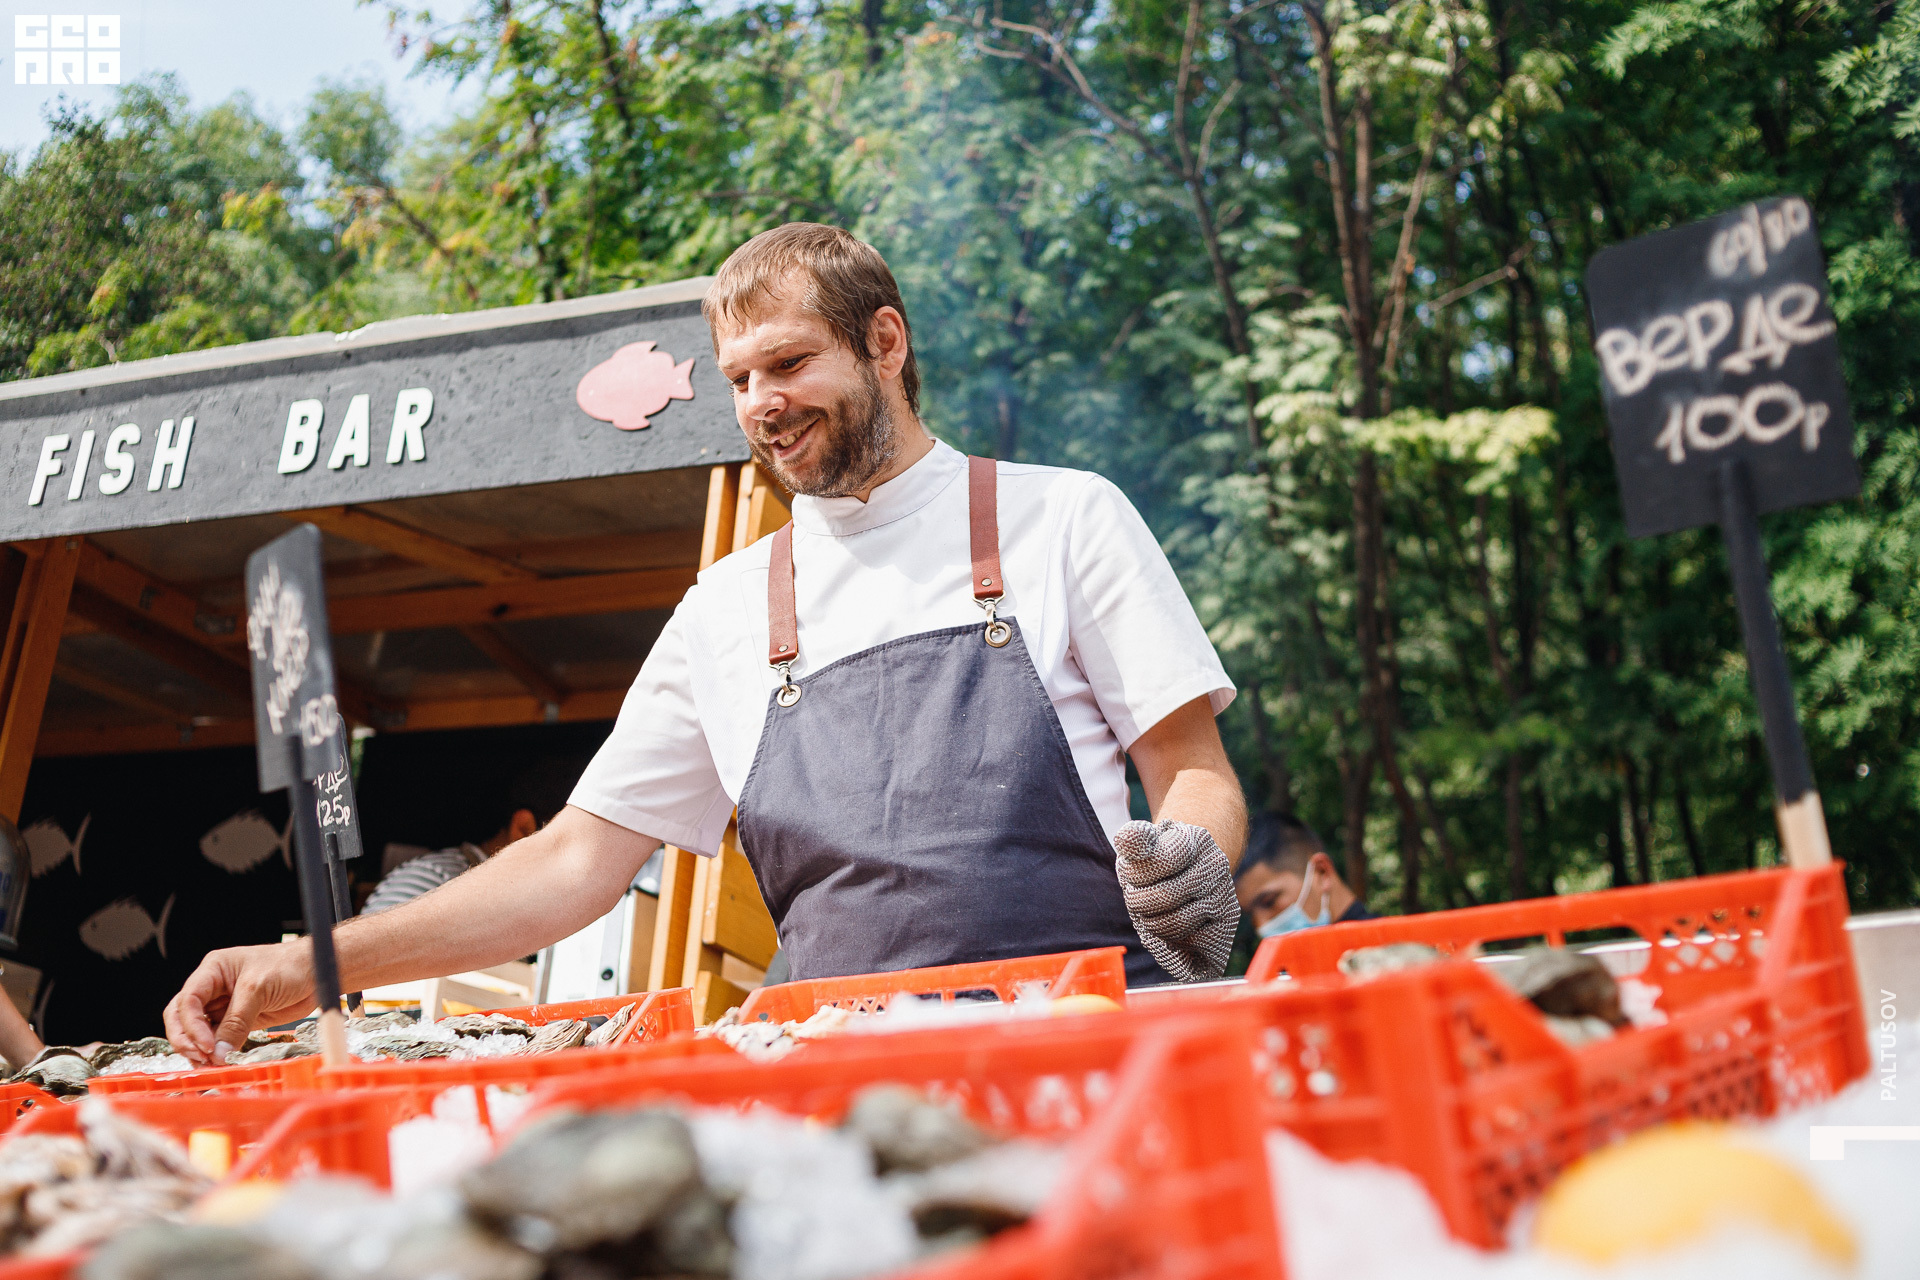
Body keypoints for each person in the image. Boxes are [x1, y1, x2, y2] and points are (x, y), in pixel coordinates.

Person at [164, 222, 1247, 1063]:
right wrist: (316, 963)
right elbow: (574, 863)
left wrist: (1193, 861)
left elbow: (1192, 773)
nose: (761, 405)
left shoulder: (1063, 517)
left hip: (1089, 1052)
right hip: (837, 1097)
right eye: (736, 378)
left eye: (786, 362)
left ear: (885, 340)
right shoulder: (724, 609)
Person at [1233, 813, 1377, 938]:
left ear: (1322, 872)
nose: (1262, 927)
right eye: (1251, 915)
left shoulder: (1389, 952)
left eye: (1269, 902)